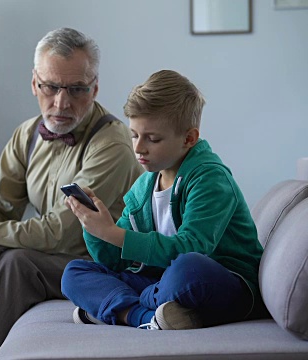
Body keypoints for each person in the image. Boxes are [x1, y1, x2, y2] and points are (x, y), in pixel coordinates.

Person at [0, 28, 142, 359]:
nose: (62, 103)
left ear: (94, 89)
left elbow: (61, 234)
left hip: (98, 264)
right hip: (54, 256)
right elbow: (1, 212)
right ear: (34, 83)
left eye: (76, 89)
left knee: (19, 263)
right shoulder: (27, 135)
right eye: (50, 87)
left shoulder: (111, 144)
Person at [61, 69, 267, 331]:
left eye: (153, 138)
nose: (138, 148)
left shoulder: (210, 178)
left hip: (225, 284)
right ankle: (146, 317)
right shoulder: (143, 187)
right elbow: (113, 261)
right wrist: (94, 227)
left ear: (189, 139)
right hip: (162, 281)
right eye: (134, 135)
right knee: (75, 273)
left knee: (188, 267)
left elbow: (193, 247)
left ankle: (121, 308)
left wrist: (114, 233)